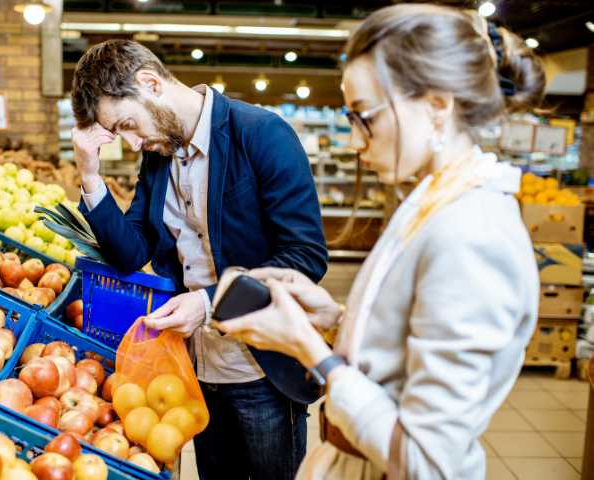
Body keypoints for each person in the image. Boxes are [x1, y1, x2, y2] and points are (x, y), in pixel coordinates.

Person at [215, 4, 545, 479]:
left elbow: (426, 461)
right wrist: (333, 320)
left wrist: (311, 350)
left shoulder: (471, 233)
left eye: (364, 117)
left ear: (436, 107)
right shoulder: (434, 200)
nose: (354, 140)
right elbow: (411, 345)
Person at [70, 39, 328, 479]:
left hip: (259, 367)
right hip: (194, 370)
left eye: (128, 124)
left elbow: (305, 255)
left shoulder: (261, 133)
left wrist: (207, 303)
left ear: (150, 83)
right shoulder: (159, 156)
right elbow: (132, 252)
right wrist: (90, 177)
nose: (132, 143)